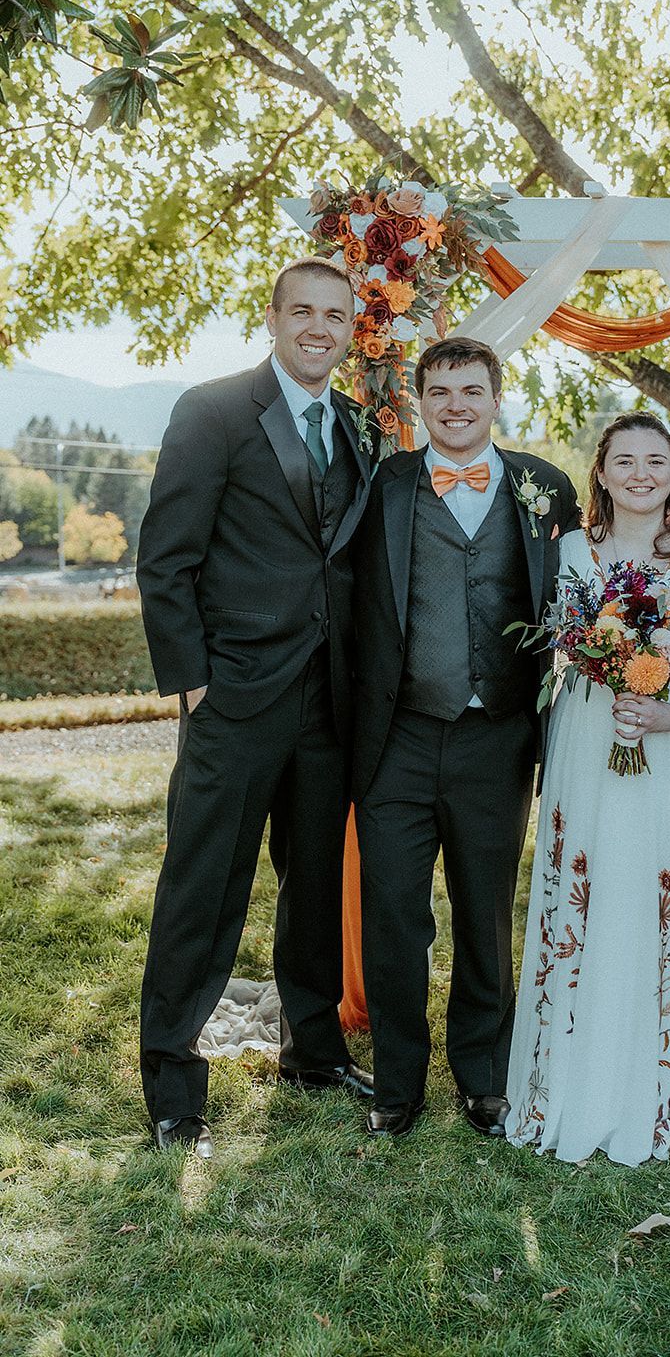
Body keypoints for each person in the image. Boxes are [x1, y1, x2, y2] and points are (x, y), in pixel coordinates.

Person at [136, 256, 378, 1157]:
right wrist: (193, 680)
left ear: (352, 328)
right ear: (273, 317)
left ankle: (311, 1052)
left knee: (313, 884)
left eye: (335, 315)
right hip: (235, 695)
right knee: (204, 887)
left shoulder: (355, 423)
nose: (319, 327)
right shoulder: (211, 410)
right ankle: (172, 1083)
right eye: (303, 311)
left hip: (328, 699)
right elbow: (166, 557)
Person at [350, 336, 580, 1140]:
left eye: (471, 390)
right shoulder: (384, 485)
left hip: (499, 740)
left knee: (485, 912)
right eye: (440, 391)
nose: (455, 405)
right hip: (397, 737)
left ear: (495, 396)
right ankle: (397, 1083)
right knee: (393, 914)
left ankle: (483, 1074)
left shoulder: (545, 489)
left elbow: (578, 606)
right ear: (419, 399)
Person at [506, 415, 670, 1166]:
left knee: (656, 892)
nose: (640, 473)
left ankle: (666, 1084)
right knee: (594, 889)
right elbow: (559, 651)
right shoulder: (571, 550)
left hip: (669, 759)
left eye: (655, 461)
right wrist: (608, 671)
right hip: (587, 746)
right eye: (623, 462)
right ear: (600, 475)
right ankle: (575, 1076)